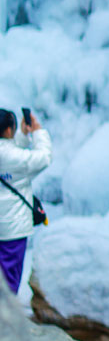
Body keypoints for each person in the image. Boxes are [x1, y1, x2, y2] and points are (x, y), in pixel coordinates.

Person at [0, 108, 52, 295]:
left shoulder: (11, 155)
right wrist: (38, 131)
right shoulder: (15, 159)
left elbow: (9, 153)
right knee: (9, 278)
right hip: (12, 228)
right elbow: (43, 158)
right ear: (8, 131)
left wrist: (22, 135)